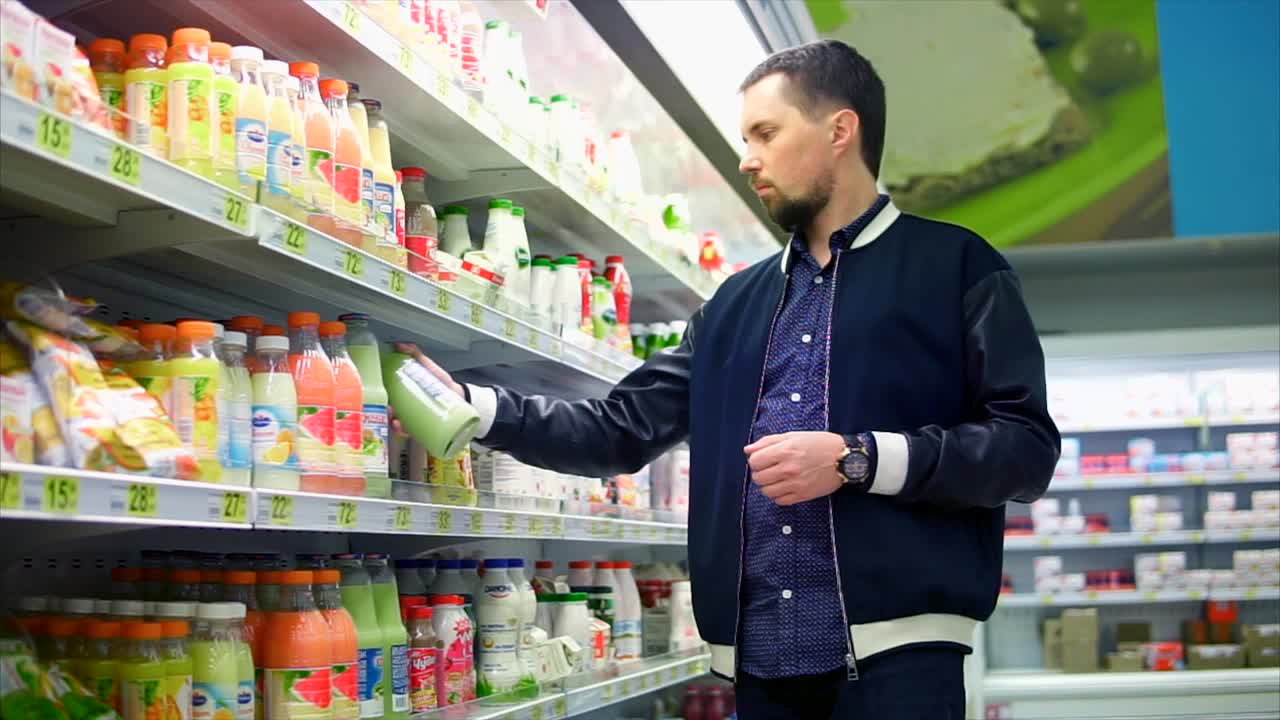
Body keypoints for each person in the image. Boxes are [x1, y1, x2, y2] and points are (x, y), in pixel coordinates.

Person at [398, 39, 1059, 719]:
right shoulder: (732, 307)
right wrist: (479, 408)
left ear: (840, 129)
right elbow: (621, 430)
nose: (747, 160)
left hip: (900, 666)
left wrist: (858, 458)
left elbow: (1025, 449)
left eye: (765, 134)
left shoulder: (954, 267)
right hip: (760, 667)